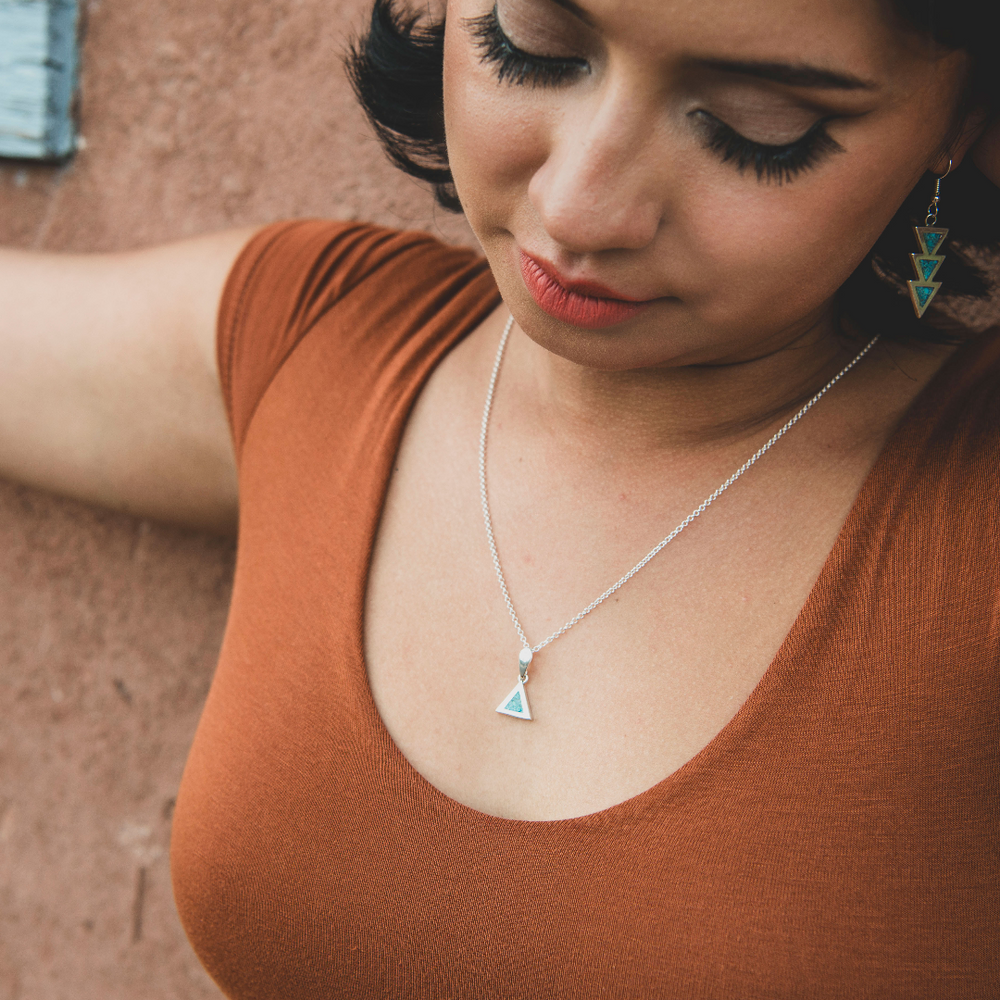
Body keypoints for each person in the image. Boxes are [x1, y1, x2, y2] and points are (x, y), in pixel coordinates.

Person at [1, 0, 998, 994]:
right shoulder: (318, 337)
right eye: (529, 48)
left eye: (758, 124)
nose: (577, 205)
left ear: (958, 123)